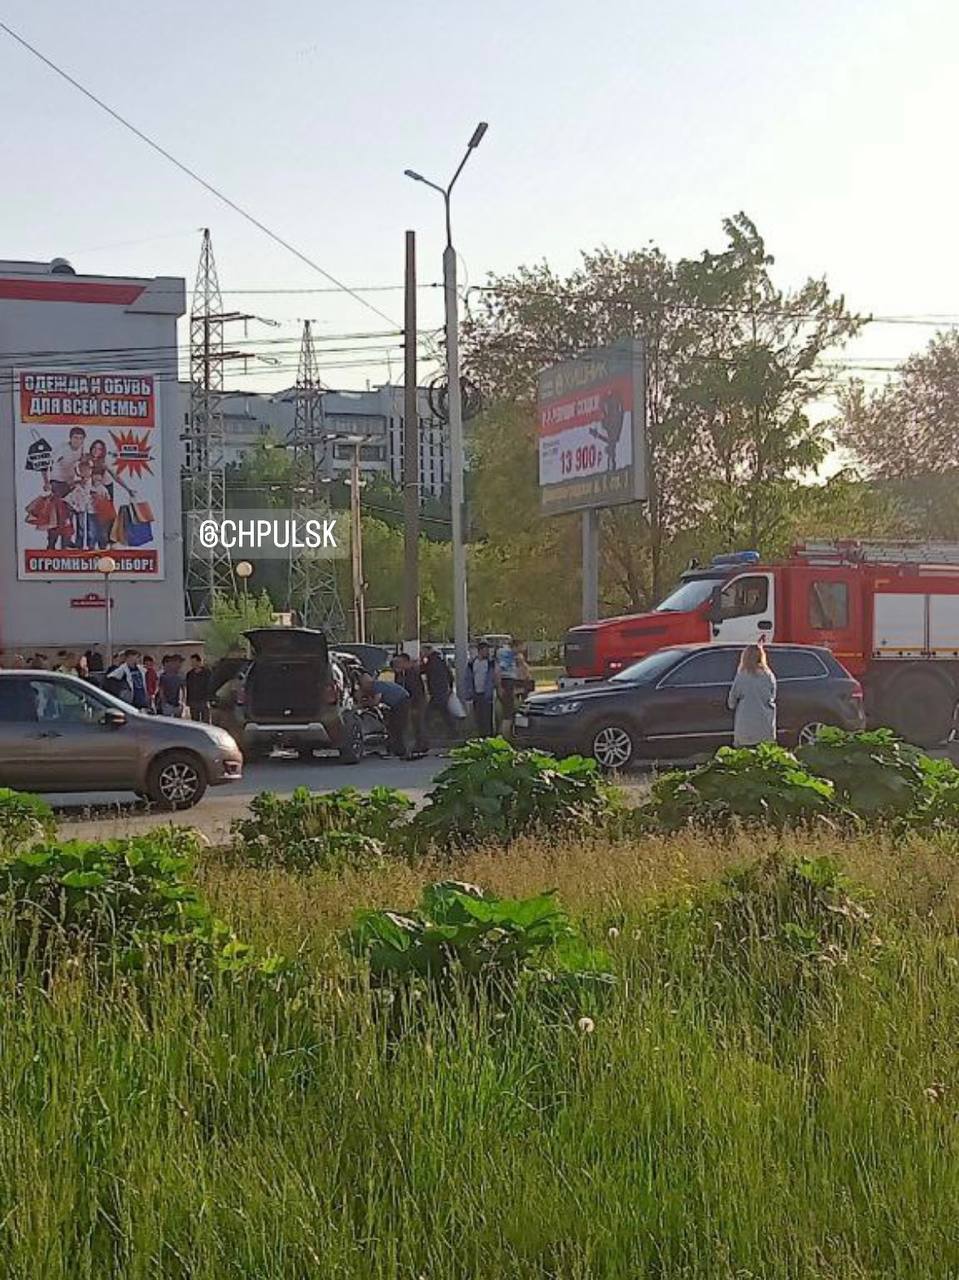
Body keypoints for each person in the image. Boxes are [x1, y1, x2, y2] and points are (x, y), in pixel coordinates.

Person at [727, 644, 777, 746]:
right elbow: (772, 696)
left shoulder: (742, 676)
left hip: (745, 727)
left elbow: (731, 702)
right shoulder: (769, 675)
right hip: (765, 725)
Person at [45, 426, 86, 548]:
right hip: (57, 484)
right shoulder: (61, 449)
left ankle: (66, 541)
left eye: (80, 438)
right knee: (57, 516)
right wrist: (46, 482)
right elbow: (47, 464)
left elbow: (80, 465)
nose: (77, 441)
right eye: (75, 438)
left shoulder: (81, 450)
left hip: (70, 485)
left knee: (69, 515)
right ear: (70, 438)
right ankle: (51, 544)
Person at [358, 672, 411, 759]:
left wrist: (363, 704)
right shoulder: (371, 687)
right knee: (392, 726)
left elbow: (376, 701)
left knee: (398, 726)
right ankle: (394, 749)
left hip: (402, 701)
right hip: (396, 703)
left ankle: (401, 751)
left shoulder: (376, 686)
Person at [393, 652, 428, 756]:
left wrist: (415, 704)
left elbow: (416, 689)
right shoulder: (400, 674)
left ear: (406, 662)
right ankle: (412, 745)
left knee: (417, 723)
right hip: (405, 702)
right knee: (410, 724)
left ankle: (421, 745)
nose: (397, 665)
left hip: (416, 701)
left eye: (399, 662)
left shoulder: (412, 673)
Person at [465, 640, 495, 738]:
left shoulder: (490, 663)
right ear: (480, 651)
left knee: (487, 716)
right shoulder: (473, 663)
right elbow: (468, 678)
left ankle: (488, 735)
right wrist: (469, 692)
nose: (487, 652)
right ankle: (480, 735)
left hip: (486, 694)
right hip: (476, 693)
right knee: (478, 716)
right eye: (485, 650)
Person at [422, 644, 455, 733]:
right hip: (442, 689)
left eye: (423, 651)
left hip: (437, 690)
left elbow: (424, 670)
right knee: (443, 712)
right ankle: (452, 730)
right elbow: (449, 673)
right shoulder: (440, 659)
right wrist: (450, 686)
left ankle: (428, 731)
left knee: (431, 713)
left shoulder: (432, 661)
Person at [494, 636, 521, 737]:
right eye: (520, 648)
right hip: (507, 682)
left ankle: (505, 732)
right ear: (516, 646)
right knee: (508, 711)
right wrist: (499, 686)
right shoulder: (507, 655)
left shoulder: (509, 655)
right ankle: (505, 734)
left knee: (509, 709)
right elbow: (498, 670)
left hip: (508, 682)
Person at [185, 653, 212, 723]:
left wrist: (209, 698)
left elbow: (210, 686)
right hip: (193, 700)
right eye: (191, 662)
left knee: (205, 721)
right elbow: (188, 687)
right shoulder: (190, 674)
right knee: (194, 721)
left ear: (199, 661)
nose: (192, 664)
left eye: (194, 662)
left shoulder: (207, 673)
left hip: (203, 700)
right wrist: (187, 701)